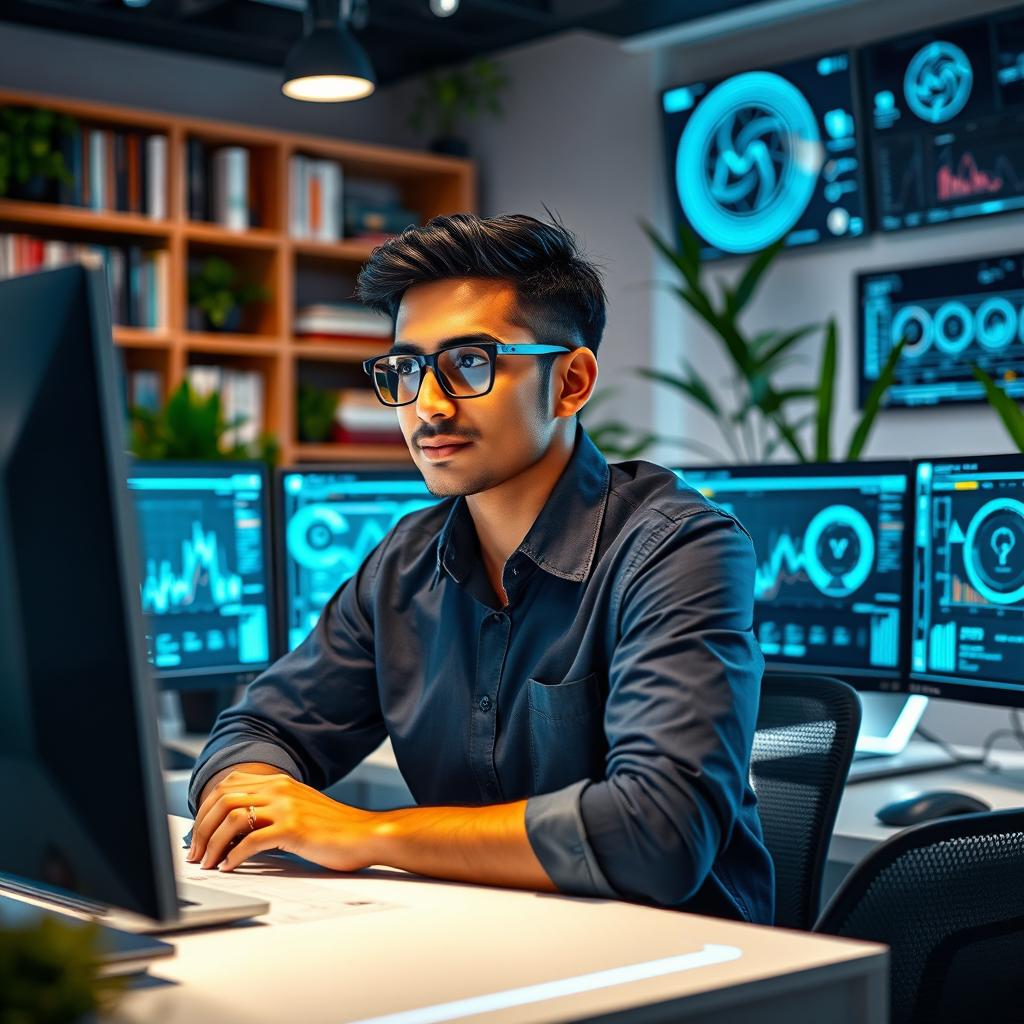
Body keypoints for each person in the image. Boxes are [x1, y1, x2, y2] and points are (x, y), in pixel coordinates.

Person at [186, 212, 774, 924]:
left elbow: (660, 832)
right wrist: (254, 789)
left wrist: (368, 832)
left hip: (682, 969)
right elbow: (260, 731)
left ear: (571, 382)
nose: (426, 407)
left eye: (470, 362)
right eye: (406, 369)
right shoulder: (403, 563)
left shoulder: (679, 549)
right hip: (476, 946)